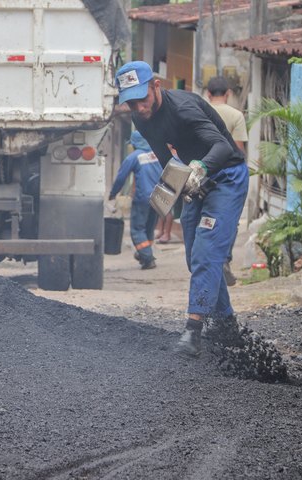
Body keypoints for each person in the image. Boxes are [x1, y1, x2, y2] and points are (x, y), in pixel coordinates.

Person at [114, 61, 248, 358]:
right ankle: (226, 324)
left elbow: (225, 148)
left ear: (156, 86)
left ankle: (192, 332)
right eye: (131, 103)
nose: (139, 107)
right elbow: (166, 158)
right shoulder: (142, 118)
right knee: (194, 256)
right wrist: (174, 188)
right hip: (195, 180)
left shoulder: (184, 108)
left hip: (226, 176)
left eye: (142, 98)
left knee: (206, 251)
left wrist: (201, 166)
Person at [206, 76, 248, 287]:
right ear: (228, 93)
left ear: (208, 94)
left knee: (206, 217)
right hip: (230, 173)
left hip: (205, 171)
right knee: (230, 219)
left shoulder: (201, 111)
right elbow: (238, 148)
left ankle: (208, 260)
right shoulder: (236, 115)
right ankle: (224, 260)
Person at [108, 130, 162, 270]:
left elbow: (121, 177)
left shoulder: (134, 157)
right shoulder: (158, 154)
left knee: (137, 229)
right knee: (149, 227)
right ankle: (145, 253)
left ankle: (147, 257)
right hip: (159, 197)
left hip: (142, 197)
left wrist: (113, 193)